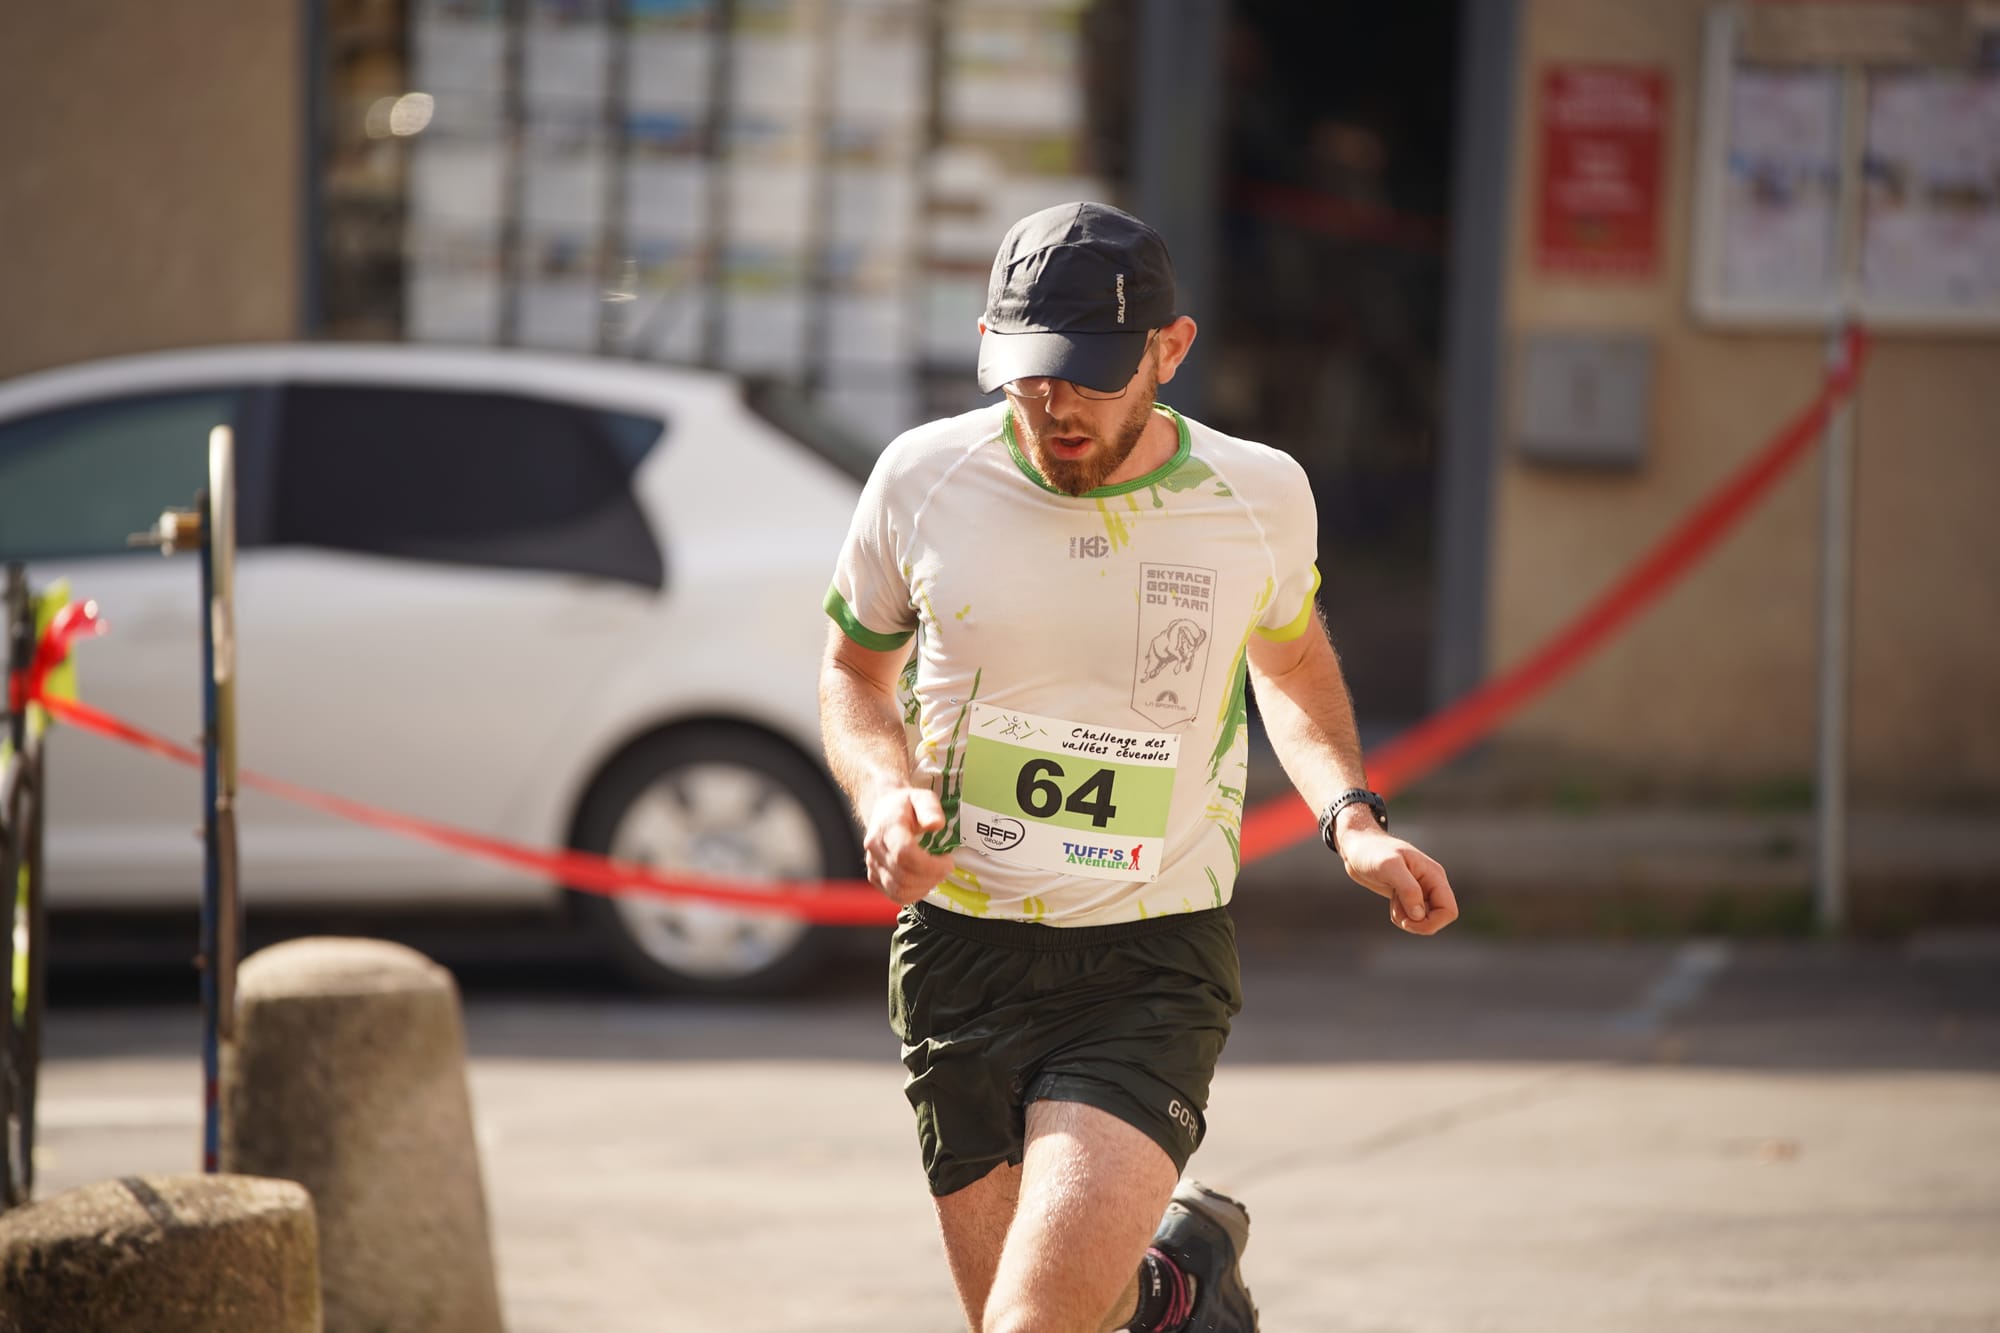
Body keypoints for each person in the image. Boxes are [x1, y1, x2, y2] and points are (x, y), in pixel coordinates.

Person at [817, 201, 1458, 1333]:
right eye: (1028, 374)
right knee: (1079, 1315)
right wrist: (883, 793)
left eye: (1091, 374)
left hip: (1147, 958)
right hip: (959, 955)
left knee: (1032, 1327)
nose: (1055, 405)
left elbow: (1294, 667)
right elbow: (855, 677)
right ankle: (1175, 1290)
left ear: (1170, 350)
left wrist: (1350, 819)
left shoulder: (1255, 494)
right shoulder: (921, 477)